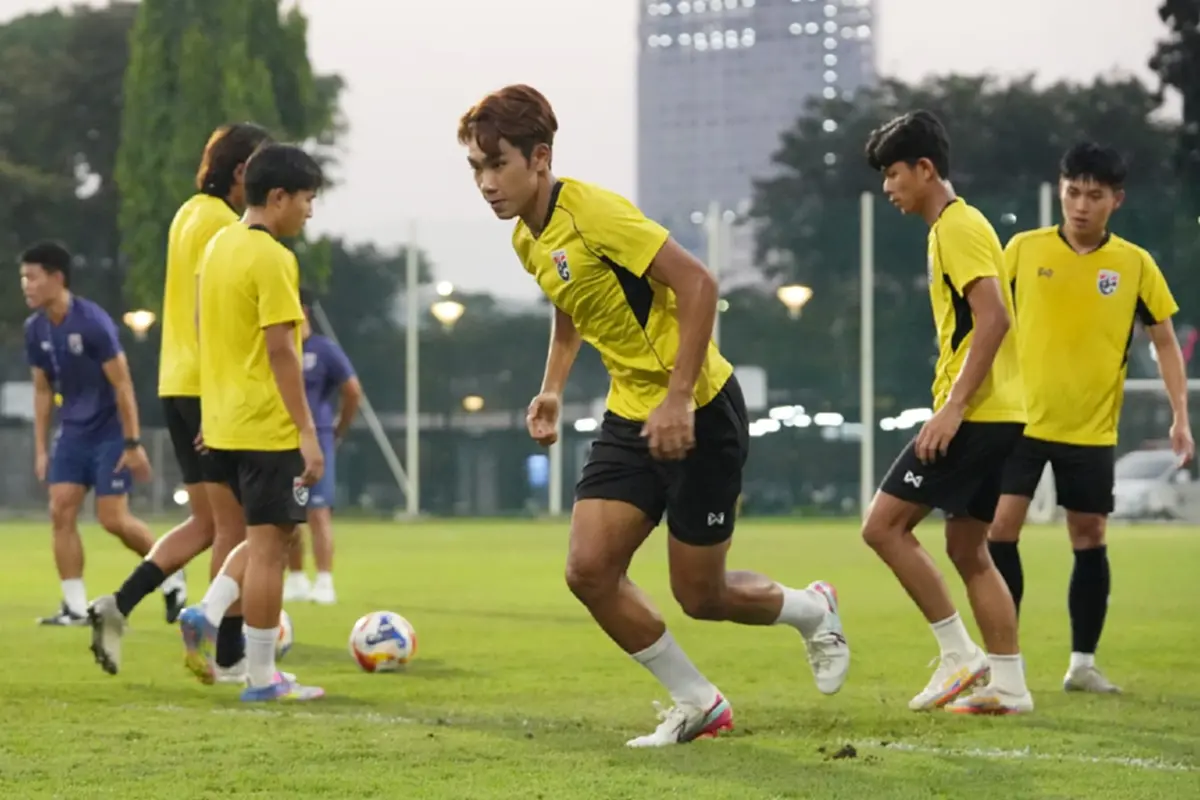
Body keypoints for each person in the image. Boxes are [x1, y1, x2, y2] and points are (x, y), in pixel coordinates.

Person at [458, 84, 849, 747]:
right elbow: (570, 302)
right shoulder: (528, 236)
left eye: (498, 165)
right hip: (631, 415)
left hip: (700, 409)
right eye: (476, 169)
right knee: (588, 571)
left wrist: (677, 397)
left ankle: (813, 610)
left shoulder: (596, 214)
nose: (487, 183)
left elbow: (698, 283)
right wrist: (552, 387)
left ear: (540, 159)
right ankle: (697, 701)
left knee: (702, 595)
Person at [987, 142, 1193, 694]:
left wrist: (1180, 416)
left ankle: (1082, 663)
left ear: (1116, 201)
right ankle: (1006, 659)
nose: (1080, 205)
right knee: (999, 531)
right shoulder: (1022, 251)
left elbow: (1166, 341)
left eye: (1094, 196)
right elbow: (986, 325)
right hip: (1019, 423)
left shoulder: (1134, 264)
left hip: (1090, 428)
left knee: (1089, 536)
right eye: (1072, 192)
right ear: (1061, 190)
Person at [861, 110, 1032, 715]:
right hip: (1003, 411)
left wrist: (952, 409)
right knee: (967, 548)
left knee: (882, 526)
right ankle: (1009, 685)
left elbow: (994, 318)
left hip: (979, 413)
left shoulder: (956, 228)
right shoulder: (956, 227)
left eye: (893, 173)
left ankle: (958, 654)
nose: (887, 187)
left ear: (926, 169)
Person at [88, 123, 273, 679]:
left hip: (176, 380)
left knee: (206, 523)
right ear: (242, 172)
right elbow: (208, 309)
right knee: (240, 529)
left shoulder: (187, 213)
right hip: (206, 384)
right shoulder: (223, 223)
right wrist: (219, 397)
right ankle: (228, 650)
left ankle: (118, 605)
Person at [178, 142, 326, 702]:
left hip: (220, 423)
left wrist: (212, 406)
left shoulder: (218, 246)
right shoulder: (273, 258)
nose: (310, 211)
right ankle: (263, 679)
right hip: (266, 426)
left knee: (257, 536)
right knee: (273, 548)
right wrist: (307, 432)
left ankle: (209, 608)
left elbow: (202, 327)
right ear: (280, 196)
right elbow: (281, 352)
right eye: (308, 199)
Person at [21, 242, 162, 625]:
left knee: (113, 519)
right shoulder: (34, 330)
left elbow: (123, 384)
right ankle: (74, 606)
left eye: (32, 277)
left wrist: (132, 443)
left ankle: (170, 573)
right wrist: (40, 449)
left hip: (110, 430)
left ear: (56, 278)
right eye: (23, 278)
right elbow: (42, 390)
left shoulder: (92, 321)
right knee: (59, 509)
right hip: (73, 431)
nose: (26, 285)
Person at [283, 289, 362, 605]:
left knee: (317, 511)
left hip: (316, 442)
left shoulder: (323, 350)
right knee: (288, 513)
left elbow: (352, 391)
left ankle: (325, 580)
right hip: (283, 441)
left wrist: (338, 429)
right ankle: (297, 577)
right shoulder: (280, 349)